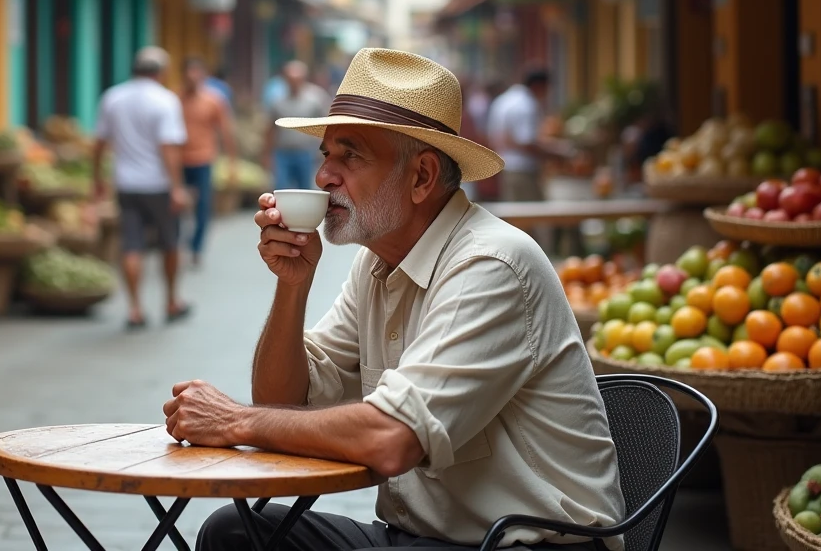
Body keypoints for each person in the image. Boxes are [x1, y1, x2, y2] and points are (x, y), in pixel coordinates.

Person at [162, 48, 625, 550]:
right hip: (422, 538)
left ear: (422, 177)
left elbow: (390, 438)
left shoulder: (490, 264)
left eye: (350, 155)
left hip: (529, 546)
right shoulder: (378, 263)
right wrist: (293, 284)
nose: (323, 177)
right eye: (326, 154)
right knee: (236, 534)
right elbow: (282, 403)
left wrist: (233, 421)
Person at [93, 47, 191, 330]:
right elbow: (169, 147)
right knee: (170, 243)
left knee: (131, 244)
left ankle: (135, 308)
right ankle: (172, 301)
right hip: (158, 184)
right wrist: (177, 187)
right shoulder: (165, 100)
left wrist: (97, 180)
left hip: (126, 184)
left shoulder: (112, 97)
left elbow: (99, 143)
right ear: (161, 72)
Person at [181, 57, 238, 267]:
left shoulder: (213, 100)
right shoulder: (175, 99)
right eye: (189, 73)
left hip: (203, 159)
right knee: (178, 207)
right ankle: (179, 244)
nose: (192, 78)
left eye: (196, 73)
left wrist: (232, 163)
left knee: (203, 207)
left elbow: (226, 132)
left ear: (203, 76)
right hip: (179, 161)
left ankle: (196, 247)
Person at [485, 67, 570, 202]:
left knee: (516, 214)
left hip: (506, 167)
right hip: (522, 170)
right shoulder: (525, 105)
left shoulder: (505, 99)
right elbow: (526, 143)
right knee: (530, 215)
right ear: (539, 85)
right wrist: (557, 152)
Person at [263, 61, 331, 191]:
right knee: (281, 189)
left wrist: (326, 149)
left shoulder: (315, 98)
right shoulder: (277, 100)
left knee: (306, 189)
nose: (294, 83)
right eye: (290, 79)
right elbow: (270, 129)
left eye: (297, 79)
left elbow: (327, 123)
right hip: (283, 152)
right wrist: (266, 154)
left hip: (306, 152)